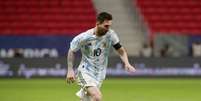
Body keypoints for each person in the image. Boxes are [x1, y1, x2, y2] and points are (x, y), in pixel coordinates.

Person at [66, 12, 136, 101]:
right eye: (106, 26)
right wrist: (70, 70)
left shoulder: (110, 35)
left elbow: (121, 51)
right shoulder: (85, 37)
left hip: (100, 75)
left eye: (109, 26)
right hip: (85, 72)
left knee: (87, 99)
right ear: (98, 23)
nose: (108, 29)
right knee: (97, 96)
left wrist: (127, 63)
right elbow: (72, 50)